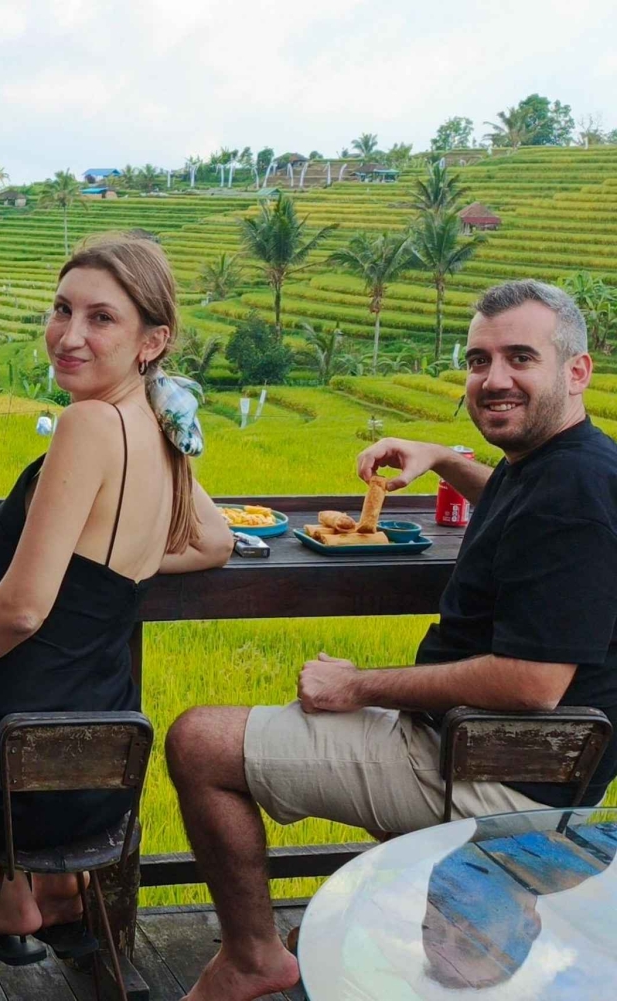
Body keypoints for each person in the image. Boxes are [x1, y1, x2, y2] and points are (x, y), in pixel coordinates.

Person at [166, 278, 617, 1001]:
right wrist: (442, 456)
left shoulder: (573, 494)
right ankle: (386, 923)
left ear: (577, 370)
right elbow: (518, 508)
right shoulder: (567, 464)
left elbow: (533, 682)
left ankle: (252, 957)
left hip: (489, 773)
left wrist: (357, 686)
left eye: (520, 358)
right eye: (478, 360)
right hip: (484, 749)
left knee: (199, 743)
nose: (493, 378)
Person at [0, 235, 234, 965]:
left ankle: (8, 893)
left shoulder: (88, 423)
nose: (69, 334)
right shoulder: (156, 427)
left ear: (152, 341)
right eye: (62, 310)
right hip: (103, 762)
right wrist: (114, 565)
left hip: (10, 762)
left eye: (101, 318)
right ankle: (57, 891)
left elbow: (23, 607)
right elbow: (214, 541)